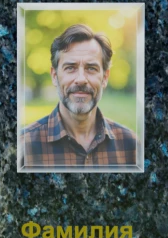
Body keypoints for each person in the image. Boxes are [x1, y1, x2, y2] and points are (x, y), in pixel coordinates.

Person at [20, 23, 137, 169]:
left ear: (105, 78)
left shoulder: (131, 146)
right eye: (70, 68)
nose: (81, 79)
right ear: (55, 76)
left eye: (91, 68)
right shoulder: (22, 147)